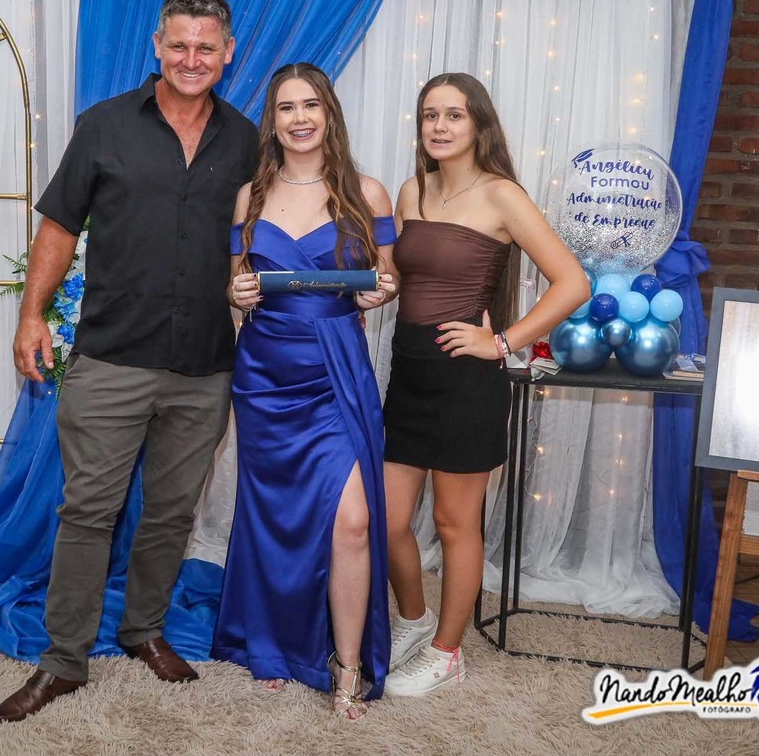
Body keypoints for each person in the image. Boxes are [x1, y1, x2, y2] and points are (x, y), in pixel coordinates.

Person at [0, 0, 258, 723]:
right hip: (112, 356)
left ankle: (144, 630)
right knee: (88, 512)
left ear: (228, 53)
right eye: (180, 45)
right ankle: (62, 661)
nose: (192, 59)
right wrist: (31, 314)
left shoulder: (247, 140)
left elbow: (274, 232)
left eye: (206, 47)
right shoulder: (103, 125)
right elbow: (58, 225)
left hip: (205, 363)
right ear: (157, 47)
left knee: (171, 513)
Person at [381, 73, 590, 696]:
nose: (439, 126)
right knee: (385, 520)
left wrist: (501, 342)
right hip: (408, 373)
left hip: (467, 382)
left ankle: (447, 653)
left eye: (454, 115)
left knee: (454, 523)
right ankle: (413, 621)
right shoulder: (410, 190)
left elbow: (573, 283)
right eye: (430, 114)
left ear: (479, 125)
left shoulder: (502, 195)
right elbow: (400, 279)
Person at [212, 63, 397, 719]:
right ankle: (274, 642)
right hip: (266, 374)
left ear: (329, 114)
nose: (299, 118)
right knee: (275, 514)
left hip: (336, 369)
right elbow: (236, 283)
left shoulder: (368, 193)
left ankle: (346, 665)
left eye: (310, 105)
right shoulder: (249, 197)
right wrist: (236, 293)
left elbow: (386, 277)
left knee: (353, 521)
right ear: (273, 120)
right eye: (286, 107)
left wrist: (381, 291)